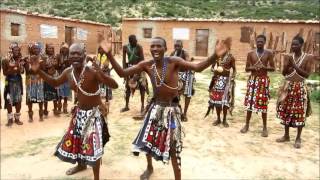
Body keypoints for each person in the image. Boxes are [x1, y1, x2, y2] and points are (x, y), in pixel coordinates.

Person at [101, 36, 230, 180]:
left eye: (159, 46)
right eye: (153, 46)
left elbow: (198, 67)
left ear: (165, 49)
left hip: (171, 110)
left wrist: (214, 55)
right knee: (147, 140)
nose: (155, 49)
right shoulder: (146, 64)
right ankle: (149, 167)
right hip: (155, 108)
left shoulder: (174, 62)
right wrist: (109, 54)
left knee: (174, 148)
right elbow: (122, 73)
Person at [29, 43, 118, 180]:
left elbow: (114, 85)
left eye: (78, 53)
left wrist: (100, 72)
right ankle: (81, 165)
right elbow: (54, 82)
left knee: (93, 148)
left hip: (94, 115)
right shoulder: (68, 72)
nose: (75, 56)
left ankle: (96, 178)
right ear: (68, 56)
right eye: (72, 54)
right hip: (79, 113)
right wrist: (39, 71)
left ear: (84, 55)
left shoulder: (92, 71)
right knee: (77, 142)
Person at [276, 36, 313, 148]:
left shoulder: (307, 57)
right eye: (292, 44)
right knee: (286, 110)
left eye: (296, 44)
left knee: (299, 112)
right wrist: (288, 65)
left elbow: (306, 75)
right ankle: (286, 135)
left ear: (301, 45)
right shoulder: (289, 57)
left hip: (300, 87)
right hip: (288, 87)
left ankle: (298, 138)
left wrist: (295, 66)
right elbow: (284, 73)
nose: (293, 46)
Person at [240, 34, 275, 137]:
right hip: (253, 80)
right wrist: (253, 68)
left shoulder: (268, 53)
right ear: (256, 42)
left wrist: (264, 67)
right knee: (250, 103)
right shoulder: (250, 53)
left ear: (265, 42)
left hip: (263, 81)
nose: (259, 43)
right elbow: (246, 68)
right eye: (258, 41)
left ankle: (264, 127)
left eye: (261, 42)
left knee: (263, 104)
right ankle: (246, 125)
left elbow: (273, 68)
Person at [207, 37, 236, 127]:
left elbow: (234, 69)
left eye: (224, 47)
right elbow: (212, 68)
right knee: (217, 101)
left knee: (226, 102)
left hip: (227, 81)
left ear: (228, 47)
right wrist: (215, 70)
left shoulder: (231, 58)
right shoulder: (217, 57)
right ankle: (218, 119)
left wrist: (232, 78)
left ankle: (224, 120)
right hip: (217, 81)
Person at [121, 35, 148, 114]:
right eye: (134, 41)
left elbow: (142, 61)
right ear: (130, 42)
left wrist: (138, 74)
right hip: (129, 69)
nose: (136, 42)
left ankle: (142, 106)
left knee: (142, 87)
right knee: (127, 87)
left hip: (139, 68)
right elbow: (123, 60)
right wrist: (124, 72)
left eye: (136, 41)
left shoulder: (139, 47)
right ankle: (126, 106)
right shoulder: (125, 47)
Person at [170, 40, 195, 122]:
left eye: (178, 46)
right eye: (175, 46)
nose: (177, 47)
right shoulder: (173, 53)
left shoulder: (185, 53)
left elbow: (187, 62)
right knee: (175, 93)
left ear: (182, 46)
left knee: (187, 94)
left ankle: (184, 114)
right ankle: (177, 110)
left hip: (187, 74)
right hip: (177, 74)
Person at [2, 43, 25, 126]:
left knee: (18, 100)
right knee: (8, 101)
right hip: (9, 83)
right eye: (15, 50)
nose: (17, 51)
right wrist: (15, 67)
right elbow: (5, 73)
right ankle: (10, 119)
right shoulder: (5, 60)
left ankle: (17, 118)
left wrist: (17, 67)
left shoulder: (21, 60)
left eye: (18, 50)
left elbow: (22, 71)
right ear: (11, 50)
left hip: (18, 83)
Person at [25, 43, 45, 122]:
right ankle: (30, 116)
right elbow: (27, 71)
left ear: (39, 50)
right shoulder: (27, 59)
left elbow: (43, 69)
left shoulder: (42, 59)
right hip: (30, 81)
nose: (36, 50)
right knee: (30, 98)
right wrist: (36, 65)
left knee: (40, 98)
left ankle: (41, 115)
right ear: (31, 50)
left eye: (37, 48)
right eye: (34, 48)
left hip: (39, 81)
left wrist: (35, 65)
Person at [42, 43, 59, 116]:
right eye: (49, 48)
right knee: (46, 94)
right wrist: (51, 65)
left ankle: (55, 110)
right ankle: (45, 110)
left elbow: (57, 66)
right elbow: (43, 68)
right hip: (46, 78)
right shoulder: (44, 57)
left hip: (54, 78)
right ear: (46, 49)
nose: (51, 50)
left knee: (55, 94)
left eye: (52, 48)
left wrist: (54, 65)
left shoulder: (55, 57)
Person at [56, 42, 71, 114]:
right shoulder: (58, 56)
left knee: (66, 93)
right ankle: (59, 107)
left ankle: (65, 108)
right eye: (63, 48)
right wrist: (61, 63)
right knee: (59, 94)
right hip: (60, 76)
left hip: (67, 77)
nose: (64, 50)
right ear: (61, 49)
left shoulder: (70, 56)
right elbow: (57, 67)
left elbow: (71, 66)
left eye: (66, 48)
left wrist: (67, 62)